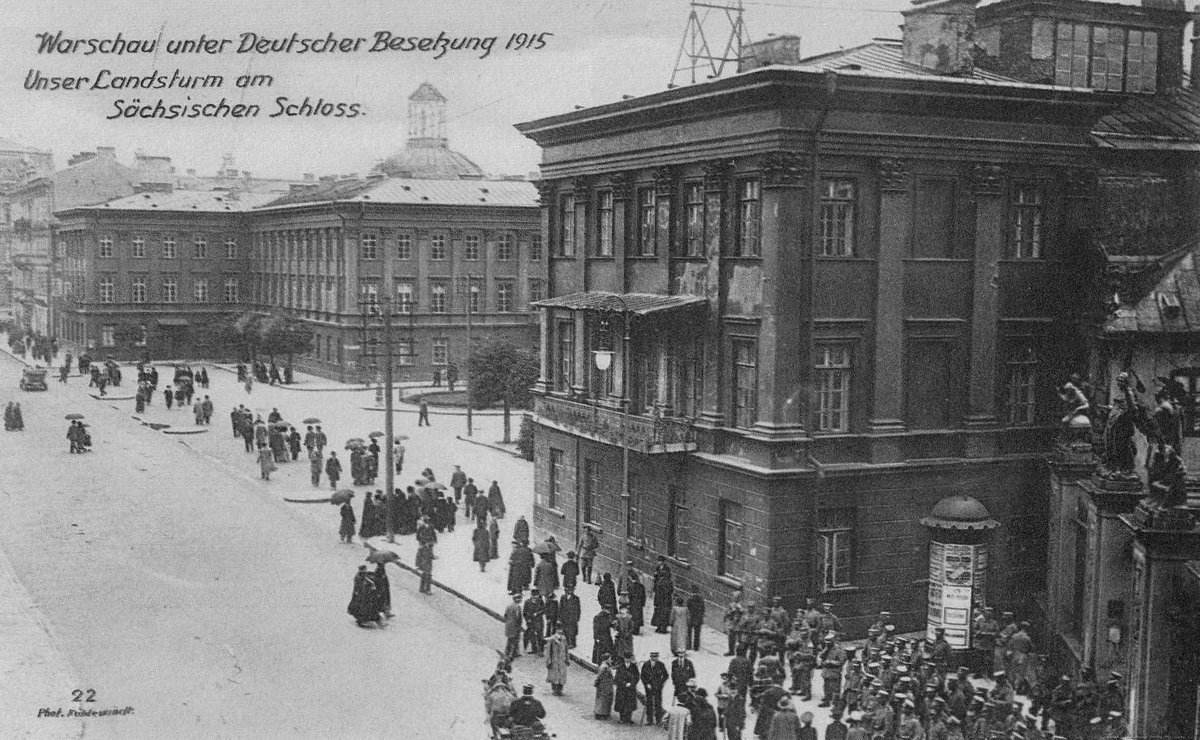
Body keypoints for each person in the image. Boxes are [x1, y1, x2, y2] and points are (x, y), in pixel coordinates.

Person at [642, 651, 669, 726]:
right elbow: (642, 676)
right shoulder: (646, 665)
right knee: (649, 703)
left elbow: (666, 675)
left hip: (658, 688)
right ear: (650, 657)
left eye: (656, 657)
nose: (654, 658)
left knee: (658, 704)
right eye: (653, 657)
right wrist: (646, 684)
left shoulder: (661, 665)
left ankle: (658, 721)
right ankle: (649, 720)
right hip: (649, 688)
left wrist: (661, 684)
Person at [614, 652, 641, 724]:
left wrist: (631, 684)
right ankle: (622, 718)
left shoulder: (634, 667)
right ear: (624, 658)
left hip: (630, 689)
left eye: (629, 658)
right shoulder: (620, 667)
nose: (627, 660)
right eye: (626, 658)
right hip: (622, 689)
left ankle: (628, 718)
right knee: (621, 703)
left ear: (631, 659)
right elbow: (617, 678)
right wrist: (624, 683)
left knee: (629, 704)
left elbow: (637, 676)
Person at [652, 557, 674, 633]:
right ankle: (658, 626)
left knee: (664, 613)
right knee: (658, 612)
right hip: (659, 598)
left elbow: (670, 591)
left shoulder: (667, 580)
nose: (659, 563)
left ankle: (663, 627)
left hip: (664, 600)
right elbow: (655, 582)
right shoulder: (657, 569)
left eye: (660, 561)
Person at [546, 627, 569, 696]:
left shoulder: (564, 639)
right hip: (554, 661)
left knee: (562, 676)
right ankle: (554, 690)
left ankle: (560, 690)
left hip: (562, 661)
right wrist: (548, 661)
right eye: (558, 632)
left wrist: (567, 659)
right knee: (554, 676)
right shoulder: (551, 640)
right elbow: (548, 651)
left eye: (561, 632)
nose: (560, 633)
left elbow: (566, 650)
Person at [524, 588, 547, 656]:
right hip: (531, 622)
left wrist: (537, 613)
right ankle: (534, 649)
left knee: (540, 636)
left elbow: (544, 610)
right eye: (534, 595)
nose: (535, 597)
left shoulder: (541, 601)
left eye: (537, 595)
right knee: (532, 636)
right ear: (532, 595)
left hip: (539, 621)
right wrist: (527, 620)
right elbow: (524, 613)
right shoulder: (527, 602)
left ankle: (541, 651)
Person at [594, 655, 615, 720]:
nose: (611, 660)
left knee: (602, 700)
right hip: (605, 686)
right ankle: (602, 714)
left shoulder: (605, 666)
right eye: (610, 659)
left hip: (605, 686)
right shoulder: (604, 667)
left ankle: (600, 713)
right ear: (606, 659)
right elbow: (599, 676)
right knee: (604, 701)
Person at [504, 592, 524, 661]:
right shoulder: (516, 607)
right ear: (516, 599)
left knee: (513, 639)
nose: (520, 599)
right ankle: (508, 653)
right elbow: (517, 617)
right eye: (519, 598)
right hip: (514, 626)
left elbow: (505, 616)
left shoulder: (510, 606)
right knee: (512, 640)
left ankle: (514, 652)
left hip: (510, 626)